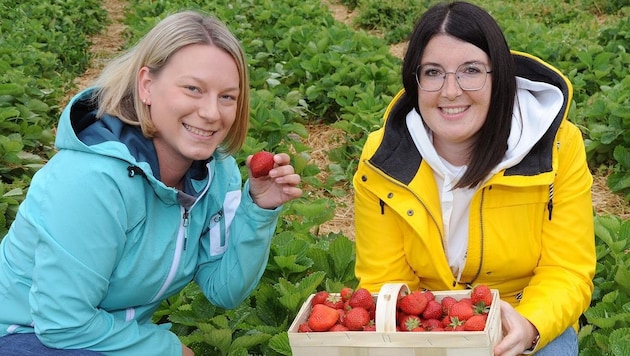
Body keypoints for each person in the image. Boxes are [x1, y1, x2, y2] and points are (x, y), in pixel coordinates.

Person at [0, 10, 302, 356]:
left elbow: (225, 290)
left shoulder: (215, 176)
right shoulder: (91, 182)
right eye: (193, 89)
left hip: (96, 337)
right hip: (21, 335)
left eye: (227, 97)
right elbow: (63, 323)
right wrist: (169, 349)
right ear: (147, 85)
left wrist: (259, 209)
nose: (211, 112)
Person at [353, 1, 595, 355]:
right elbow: (385, 281)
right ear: (414, 81)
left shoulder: (557, 145)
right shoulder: (383, 158)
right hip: (428, 325)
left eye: (471, 70)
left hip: (524, 310)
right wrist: (431, 333)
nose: (451, 91)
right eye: (433, 72)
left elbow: (567, 268)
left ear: (500, 78)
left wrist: (528, 325)